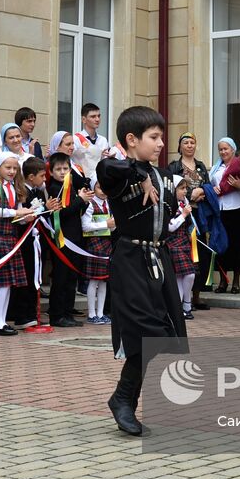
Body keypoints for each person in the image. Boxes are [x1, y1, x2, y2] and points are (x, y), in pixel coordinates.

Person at [97, 106, 187, 437]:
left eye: (162, 136)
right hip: (131, 258)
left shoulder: (162, 174)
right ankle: (123, 399)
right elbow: (106, 167)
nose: (161, 143)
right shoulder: (120, 173)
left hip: (158, 259)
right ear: (132, 140)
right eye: (154, 137)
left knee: (164, 333)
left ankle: (123, 398)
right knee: (148, 333)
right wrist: (139, 174)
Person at [0, 151, 31, 336]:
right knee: (1, 282)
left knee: (9, 282)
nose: (11, 171)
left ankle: (1, 320)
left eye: (14, 168)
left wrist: (26, 217)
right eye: (8, 167)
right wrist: (17, 214)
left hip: (11, 237)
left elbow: (16, 217)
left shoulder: (15, 187)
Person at [44, 150, 91, 328]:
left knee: (72, 277)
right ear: (51, 172)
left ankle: (67, 312)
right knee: (61, 277)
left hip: (75, 237)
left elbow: (77, 212)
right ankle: (57, 315)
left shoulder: (70, 187)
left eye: (66, 168)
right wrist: (80, 200)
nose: (63, 172)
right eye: (58, 169)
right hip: (62, 239)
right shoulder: (55, 189)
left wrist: (84, 202)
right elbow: (62, 212)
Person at [165, 133, 211, 302]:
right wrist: (191, 194)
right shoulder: (174, 166)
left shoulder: (200, 165)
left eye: (193, 142)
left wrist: (202, 193)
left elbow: (207, 187)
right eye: (186, 142)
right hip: (181, 212)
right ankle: (181, 297)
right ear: (180, 146)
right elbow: (171, 188)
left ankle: (196, 296)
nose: (190, 145)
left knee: (199, 251)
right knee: (183, 250)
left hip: (199, 214)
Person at [210, 138, 240, 291]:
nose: (223, 152)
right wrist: (214, 190)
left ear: (233, 149)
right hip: (221, 211)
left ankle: (236, 282)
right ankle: (223, 281)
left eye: (226, 149)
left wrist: (239, 186)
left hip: (237, 210)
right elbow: (211, 186)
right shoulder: (215, 169)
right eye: (221, 149)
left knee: (238, 246)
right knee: (222, 247)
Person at [9, 154, 51, 328]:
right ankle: (21, 314)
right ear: (31, 176)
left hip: (36, 239)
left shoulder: (39, 191)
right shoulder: (21, 192)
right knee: (25, 276)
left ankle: (32, 312)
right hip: (23, 239)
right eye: (42, 175)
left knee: (35, 275)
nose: (44, 179)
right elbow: (21, 216)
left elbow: (41, 215)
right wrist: (43, 208)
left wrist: (48, 209)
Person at [163, 179, 197, 319]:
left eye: (185, 188)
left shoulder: (185, 203)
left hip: (184, 241)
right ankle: (183, 306)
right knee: (188, 274)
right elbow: (170, 227)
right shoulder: (168, 206)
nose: (185, 191)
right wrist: (183, 214)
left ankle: (184, 306)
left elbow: (190, 223)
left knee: (184, 276)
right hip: (173, 243)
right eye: (181, 188)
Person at [81, 191, 114, 324]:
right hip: (94, 244)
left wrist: (112, 225)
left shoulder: (108, 204)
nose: (103, 191)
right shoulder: (90, 204)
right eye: (100, 187)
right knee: (94, 281)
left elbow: (112, 227)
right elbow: (85, 226)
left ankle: (100, 313)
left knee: (104, 281)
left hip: (107, 243)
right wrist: (106, 224)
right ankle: (91, 313)